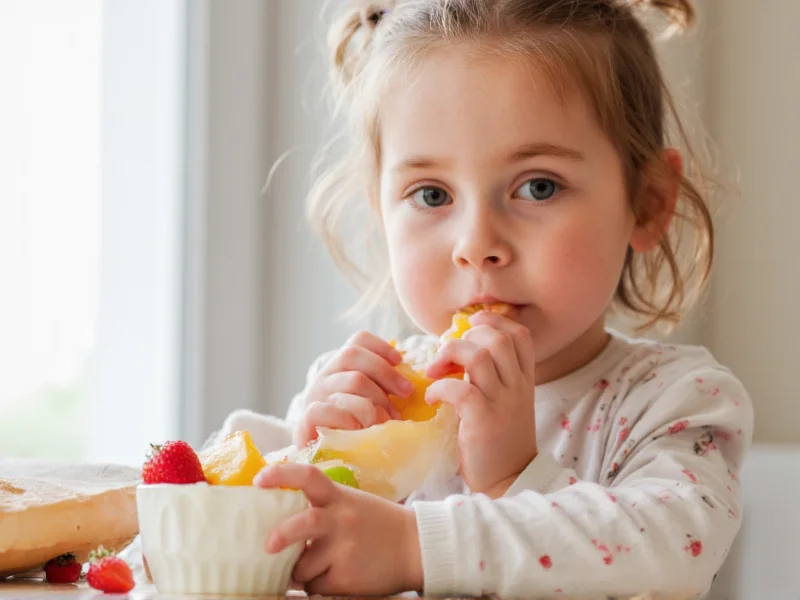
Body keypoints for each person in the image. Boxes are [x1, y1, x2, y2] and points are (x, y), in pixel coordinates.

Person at [229, 0, 754, 596]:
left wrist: (499, 487)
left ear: (647, 201)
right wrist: (305, 464)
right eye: (430, 195)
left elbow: (666, 560)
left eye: (538, 186)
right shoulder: (361, 394)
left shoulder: (677, 403)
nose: (477, 245)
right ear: (381, 213)